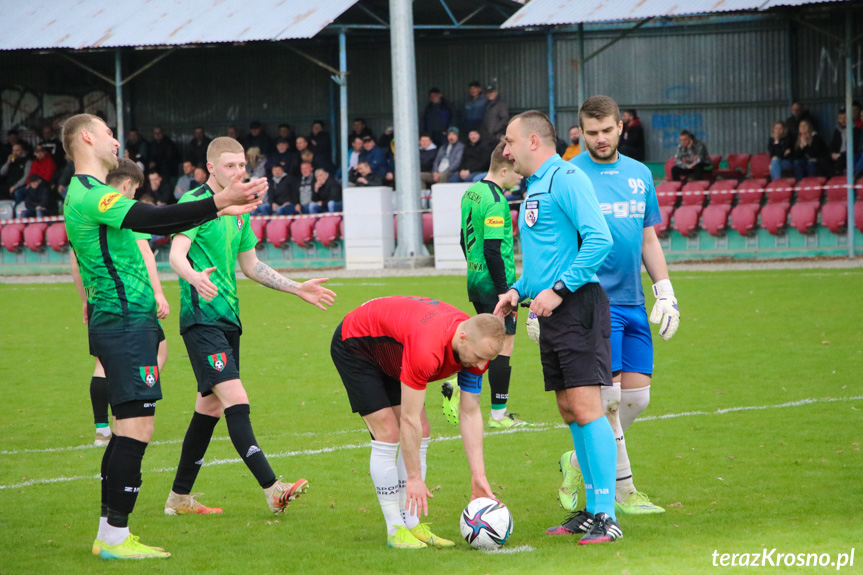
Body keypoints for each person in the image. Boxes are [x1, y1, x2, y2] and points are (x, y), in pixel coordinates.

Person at [62, 113, 264, 559]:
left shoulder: (90, 193)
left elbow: (153, 223)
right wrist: (218, 201)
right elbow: (155, 218)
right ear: (87, 137)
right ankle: (115, 536)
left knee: (126, 429)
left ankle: (108, 533)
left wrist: (220, 204)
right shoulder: (91, 195)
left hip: (129, 319)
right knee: (136, 427)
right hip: (123, 321)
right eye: (110, 133)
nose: (116, 140)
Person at [164, 136, 336, 518]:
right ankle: (273, 488)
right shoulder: (195, 204)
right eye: (230, 166)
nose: (239, 172)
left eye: (242, 165)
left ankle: (178, 499)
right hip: (201, 319)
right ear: (210, 168)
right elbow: (175, 254)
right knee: (236, 402)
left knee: (207, 410)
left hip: (228, 321)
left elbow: (251, 265)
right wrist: (193, 276)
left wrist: (297, 289)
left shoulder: (240, 210)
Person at [494, 110, 621, 544]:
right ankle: (591, 509)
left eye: (509, 142)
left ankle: (607, 513)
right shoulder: (535, 187)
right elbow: (544, 260)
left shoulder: (567, 177)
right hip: (552, 309)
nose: (505, 151)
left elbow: (599, 239)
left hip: (578, 305)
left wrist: (561, 289)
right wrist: (517, 290)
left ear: (533, 141)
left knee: (587, 408)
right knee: (569, 410)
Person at [559, 95, 679, 518]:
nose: (600, 138)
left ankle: (578, 461)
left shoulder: (639, 174)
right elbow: (557, 243)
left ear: (620, 127)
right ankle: (624, 490)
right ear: (581, 132)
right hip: (591, 301)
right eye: (591, 133)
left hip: (632, 299)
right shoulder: (570, 175)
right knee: (607, 401)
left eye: (607, 130)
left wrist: (665, 290)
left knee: (638, 398)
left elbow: (648, 238)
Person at [330, 296, 504, 548]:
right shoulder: (427, 349)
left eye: (485, 359)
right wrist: (414, 478)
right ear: (463, 337)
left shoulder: (477, 350)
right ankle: (395, 529)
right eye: (477, 357)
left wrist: (478, 475)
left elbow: (470, 411)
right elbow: (408, 420)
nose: (479, 365)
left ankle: (411, 524)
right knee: (389, 431)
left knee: (423, 429)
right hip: (357, 343)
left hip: (397, 348)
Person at [70, 158, 170, 447]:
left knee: (104, 363)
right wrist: (159, 293)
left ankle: (103, 426)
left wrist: (86, 299)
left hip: (100, 303)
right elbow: (146, 254)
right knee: (158, 352)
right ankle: (124, 413)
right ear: (128, 185)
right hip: (130, 307)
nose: (135, 196)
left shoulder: (82, 207)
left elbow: (75, 264)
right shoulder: (121, 210)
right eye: (136, 190)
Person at [441, 140, 535, 430]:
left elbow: (462, 238)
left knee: (485, 341)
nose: (520, 177)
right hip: (496, 283)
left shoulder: (471, 192)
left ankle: (461, 385)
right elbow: (494, 250)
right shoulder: (496, 201)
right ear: (504, 168)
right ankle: (497, 414)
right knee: (502, 346)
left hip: (475, 279)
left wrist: (474, 267)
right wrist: (504, 291)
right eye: (516, 172)